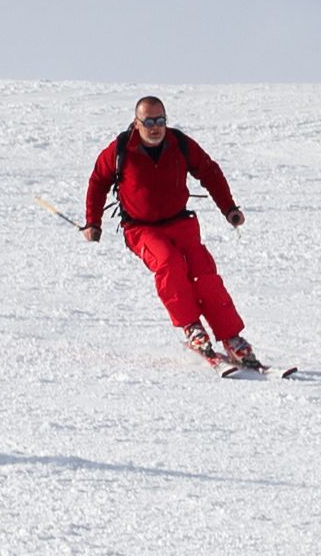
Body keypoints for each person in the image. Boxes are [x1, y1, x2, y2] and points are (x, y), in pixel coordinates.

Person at [82, 95, 266, 374]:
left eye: (160, 121)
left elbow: (209, 171)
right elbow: (98, 181)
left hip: (180, 223)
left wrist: (229, 208)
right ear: (136, 122)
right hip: (141, 229)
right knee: (169, 262)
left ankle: (232, 338)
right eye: (149, 122)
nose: (155, 127)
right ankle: (192, 328)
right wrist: (93, 222)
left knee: (204, 272)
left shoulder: (179, 143)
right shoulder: (120, 149)